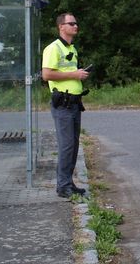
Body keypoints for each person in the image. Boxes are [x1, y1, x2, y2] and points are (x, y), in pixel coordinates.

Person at [42, 13, 91, 198]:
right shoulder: (53, 48)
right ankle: (62, 186)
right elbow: (46, 74)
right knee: (67, 145)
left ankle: (68, 182)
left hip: (74, 103)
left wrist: (78, 74)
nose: (75, 26)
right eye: (71, 23)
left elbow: (69, 71)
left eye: (76, 23)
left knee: (74, 145)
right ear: (61, 27)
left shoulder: (72, 48)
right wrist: (74, 75)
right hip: (62, 103)